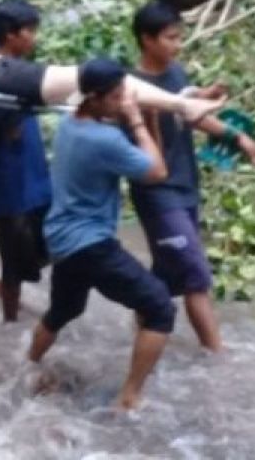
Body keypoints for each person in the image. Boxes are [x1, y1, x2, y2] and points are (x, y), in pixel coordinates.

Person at [28, 57, 177, 411]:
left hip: (62, 239)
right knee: (159, 307)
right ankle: (129, 398)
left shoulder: (69, 122)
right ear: (94, 98)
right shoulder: (104, 139)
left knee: (64, 310)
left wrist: (142, 119)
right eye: (116, 97)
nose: (122, 102)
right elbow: (157, 171)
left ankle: (28, 366)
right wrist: (139, 120)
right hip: (89, 243)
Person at [129, 1, 255, 352]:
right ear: (147, 39)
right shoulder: (133, 88)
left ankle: (143, 326)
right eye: (171, 38)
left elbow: (190, 113)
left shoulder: (174, 72)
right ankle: (218, 358)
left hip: (186, 185)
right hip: (156, 191)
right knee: (195, 274)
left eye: (179, 37)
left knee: (168, 270)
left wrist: (237, 137)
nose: (178, 44)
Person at [0, 32, 223, 124]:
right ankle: (183, 103)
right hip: (1, 76)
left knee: (104, 80)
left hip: (1, 74)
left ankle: (184, 101)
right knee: (94, 78)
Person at [0, 0, 53, 322]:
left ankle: (2, 291)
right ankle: (9, 322)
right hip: (9, 188)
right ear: (11, 34)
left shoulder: (16, 74)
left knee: (47, 248)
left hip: (34, 180)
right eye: (29, 32)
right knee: (13, 264)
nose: (34, 38)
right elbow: (10, 130)